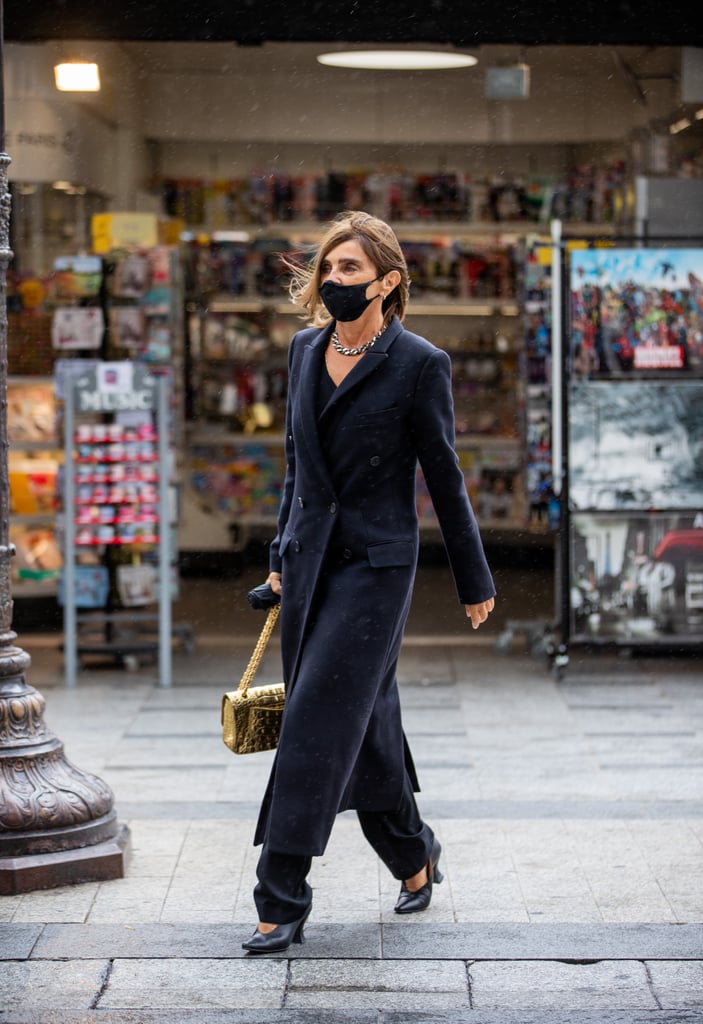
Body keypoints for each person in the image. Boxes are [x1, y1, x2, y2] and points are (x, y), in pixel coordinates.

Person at [242, 210, 496, 954]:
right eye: (328, 268)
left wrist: (473, 577)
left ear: (388, 282)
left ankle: (278, 892)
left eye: (349, 270)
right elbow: (296, 465)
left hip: (376, 571)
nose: (332, 281)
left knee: (316, 715)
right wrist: (277, 557)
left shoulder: (419, 362)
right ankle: (413, 857)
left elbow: (443, 478)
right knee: (367, 725)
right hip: (309, 560)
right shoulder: (301, 351)